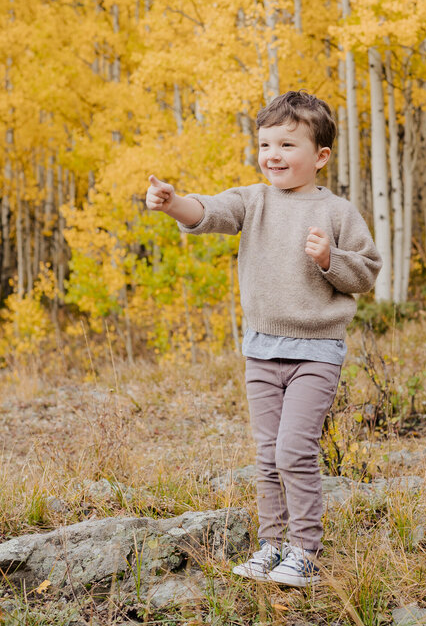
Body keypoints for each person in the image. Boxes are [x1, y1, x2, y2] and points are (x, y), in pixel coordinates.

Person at [145, 90, 382, 587]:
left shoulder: (337, 213)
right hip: (261, 350)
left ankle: (305, 552)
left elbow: (364, 275)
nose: (273, 155)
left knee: (295, 450)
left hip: (315, 353)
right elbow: (208, 213)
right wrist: (172, 204)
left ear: (320, 156)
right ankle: (271, 545)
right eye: (266, 144)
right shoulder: (252, 200)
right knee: (267, 452)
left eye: (287, 145)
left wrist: (328, 259)